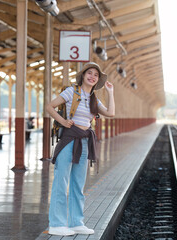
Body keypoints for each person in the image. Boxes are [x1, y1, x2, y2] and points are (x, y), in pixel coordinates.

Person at [46, 62, 115, 236]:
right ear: (83, 75)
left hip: (84, 141)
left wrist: (110, 92)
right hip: (69, 139)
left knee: (78, 184)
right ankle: (56, 223)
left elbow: (110, 112)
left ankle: (76, 222)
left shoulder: (93, 99)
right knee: (61, 181)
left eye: (96, 75)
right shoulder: (71, 92)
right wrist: (63, 122)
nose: (92, 76)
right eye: (89, 73)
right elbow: (49, 106)